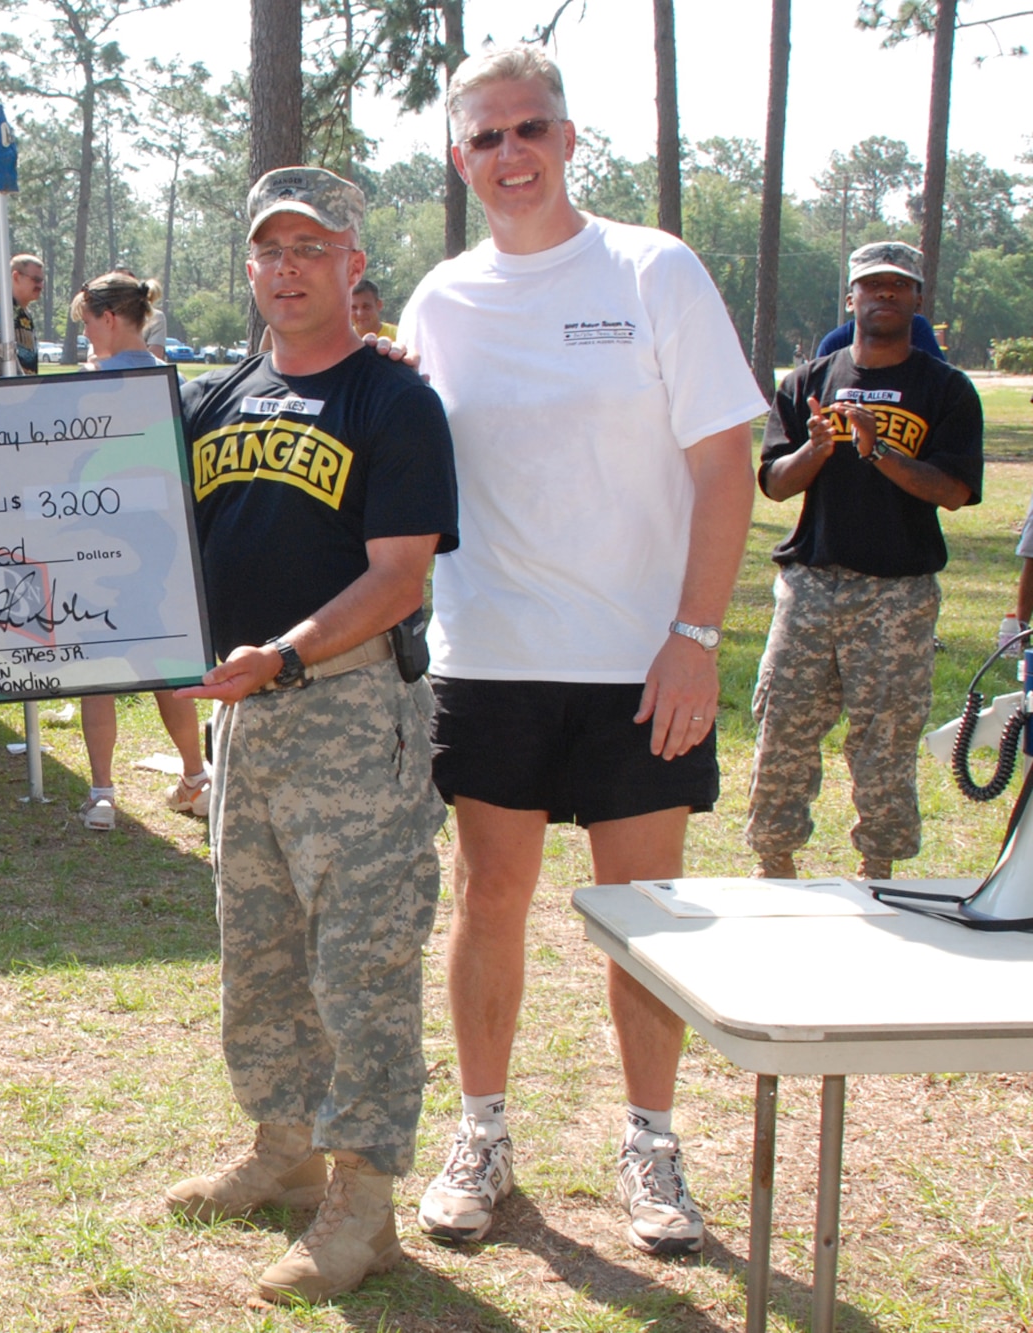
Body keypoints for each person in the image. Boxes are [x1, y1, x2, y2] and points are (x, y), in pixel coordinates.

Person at [398, 44, 764, 1256]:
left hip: (637, 661)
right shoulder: (439, 298)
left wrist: (693, 637)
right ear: (459, 159)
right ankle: (480, 1133)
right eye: (485, 137)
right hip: (488, 653)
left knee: (637, 916)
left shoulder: (653, 270)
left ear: (567, 141)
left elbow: (724, 467)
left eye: (529, 130)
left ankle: (651, 1147)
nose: (510, 155)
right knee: (487, 896)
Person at [163, 167, 458, 1304]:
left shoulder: (393, 402)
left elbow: (395, 578)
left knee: (361, 962)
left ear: (351, 266)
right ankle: (280, 1145)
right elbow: (146, 538)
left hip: (348, 710)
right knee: (259, 946)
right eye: (266, 250)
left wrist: (284, 654)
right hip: (247, 717)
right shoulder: (218, 396)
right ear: (249, 268)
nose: (284, 268)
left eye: (308, 248)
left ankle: (362, 1204)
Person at [748, 242, 982, 881]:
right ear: (849, 299)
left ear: (917, 300)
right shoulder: (806, 383)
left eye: (897, 287)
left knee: (885, 736)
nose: (884, 295)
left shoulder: (948, 390)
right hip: (812, 584)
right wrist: (817, 450)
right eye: (871, 286)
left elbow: (955, 492)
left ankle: (878, 864)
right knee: (785, 724)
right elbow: (773, 483)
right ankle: (775, 861)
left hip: (898, 594)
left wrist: (879, 451)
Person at [66, 271, 209, 829]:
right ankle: (196, 778)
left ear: (107, 318)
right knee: (169, 663)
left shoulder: (83, 384)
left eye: (86, 324)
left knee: (96, 671)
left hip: (95, 541)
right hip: (163, 542)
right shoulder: (174, 381)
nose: (86, 338)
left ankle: (102, 794)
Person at [815, 311, 947, 364]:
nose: (886, 293)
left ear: (918, 299)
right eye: (872, 284)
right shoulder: (834, 344)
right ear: (850, 302)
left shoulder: (917, 329)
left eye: (899, 284)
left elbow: (942, 388)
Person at [0, 253, 45, 373]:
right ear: (16, 277)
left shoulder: (25, 314)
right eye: (36, 280)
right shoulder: (0, 311)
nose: (41, 286)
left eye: (42, 281)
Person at [350, 276, 398, 342]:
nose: (360, 313)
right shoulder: (341, 342)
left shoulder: (399, 336)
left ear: (379, 305)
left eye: (366, 307)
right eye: (354, 308)